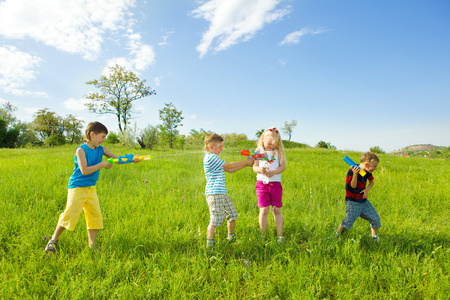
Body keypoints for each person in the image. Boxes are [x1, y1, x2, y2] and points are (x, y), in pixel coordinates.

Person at [45, 121, 139, 253]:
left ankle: (93, 246)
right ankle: (53, 240)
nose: (103, 140)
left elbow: (117, 159)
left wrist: (132, 159)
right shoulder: (80, 150)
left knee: (94, 216)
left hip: (91, 188)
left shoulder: (102, 149)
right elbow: (84, 170)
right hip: (77, 187)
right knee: (70, 214)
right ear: (92, 134)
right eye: (102, 137)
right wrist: (102, 164)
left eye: (104, 137)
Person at [203, 133, 255, 251]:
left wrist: (246, 165)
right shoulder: (211, 157)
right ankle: (209, 245)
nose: (221, 149)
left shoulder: (215, 158)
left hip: (222, 193)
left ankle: (231, 238)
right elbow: (229, 165)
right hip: (215, 193)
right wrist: (245, 162)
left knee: (232, 215)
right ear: (211, 146)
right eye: (220, 147)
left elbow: (229, 170)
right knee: (215, 219)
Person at [335, 152, 381, 241]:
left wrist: (366, 190)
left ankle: (374, 237)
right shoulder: (352, 170)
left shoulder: (366, 172)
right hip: (352, 201)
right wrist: (355, 174)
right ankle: (336, 234)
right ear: (367, 164)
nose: (375, 168)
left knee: (375, 218)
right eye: (374, 166)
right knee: (349, 220)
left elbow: (372, 182)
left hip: (363, 200)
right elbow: (353, 186)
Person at [252, 127, 286, 242]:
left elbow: (282, 167)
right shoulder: (259, 151)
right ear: (263, 139)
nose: (271, 145)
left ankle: (280, 236)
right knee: (264, 210)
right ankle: (263, 235)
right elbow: (254, 167)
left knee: (277, 209)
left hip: (275, 184)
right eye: (268, 143)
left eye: (274, 143)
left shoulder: (278, 152)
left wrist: (274, 172)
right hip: (262, 184)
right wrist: (260, 169)